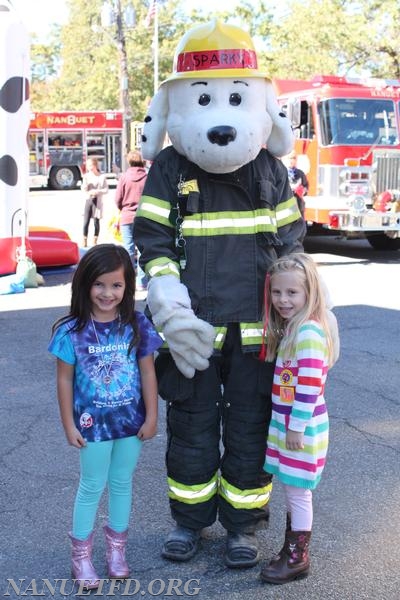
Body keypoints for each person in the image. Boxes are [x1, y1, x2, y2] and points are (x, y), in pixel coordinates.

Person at [134, 20, 306, 568]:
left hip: (258, 333)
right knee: (191, 427)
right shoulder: (169, 167)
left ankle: (243, 526)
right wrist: (168, 301)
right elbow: (152, 237)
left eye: (235, 97)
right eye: (205, 98)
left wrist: (302, 316)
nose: (222, 118)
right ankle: (189, 521)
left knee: (252, 427)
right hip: (194, 330)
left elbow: (293, 246)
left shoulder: (270, 170)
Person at [48, 244, 163, 590]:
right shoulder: (71, 331)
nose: (107, 293)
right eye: (99, 284)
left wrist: (152, 416)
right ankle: (81, 556)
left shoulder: (136, 324)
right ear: (84, 284)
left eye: (116, 285)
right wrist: (68, 424)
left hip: (130, 423)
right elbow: (64, 379)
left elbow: (147, 373)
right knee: (91, 485)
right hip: (91, 427)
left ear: (128, 286)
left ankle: (116, 552)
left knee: (122, 482)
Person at [259, 253, 338, 584]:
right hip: (292, 425)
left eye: (292, 293)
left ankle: (297, 557)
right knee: (293, 491)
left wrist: (295, 428)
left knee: (298, 492)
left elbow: (307, 386)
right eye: (277, 293)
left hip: (300, 428)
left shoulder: (307, 332)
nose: (282, 300)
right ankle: (290, 549)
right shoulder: (295, 328)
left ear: (310, 294)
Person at [114, 150, 148, 290]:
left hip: (126, 216)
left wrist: (123, 208)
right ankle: (142, 282)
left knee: (128, 251)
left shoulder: (124, 177)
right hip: (143, 217)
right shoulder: (147, 177)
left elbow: (117, 199)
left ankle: (128, 282)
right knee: (142, 251)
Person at [81, 157, 109, 248]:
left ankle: (95, 240)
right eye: (88, 166)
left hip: (98, 201)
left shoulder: (101, 177)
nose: (89, 168)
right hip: (88, 200)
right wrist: (86, 188)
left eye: (90, 166)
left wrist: (97, 192)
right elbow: (83, 189)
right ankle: (84, 239)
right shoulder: (86, 176)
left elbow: (106, 189)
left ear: (95, 165)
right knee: (86, 221)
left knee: (96, 222)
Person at [286, 151, 309, 217]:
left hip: (299, 206)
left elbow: (306, 187)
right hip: (288, 207)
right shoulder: (283, 173)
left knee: (300, 225)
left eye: (293, 158)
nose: (291, 160)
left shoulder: (300, 173)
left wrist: (302, 190)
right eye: (290, 158)